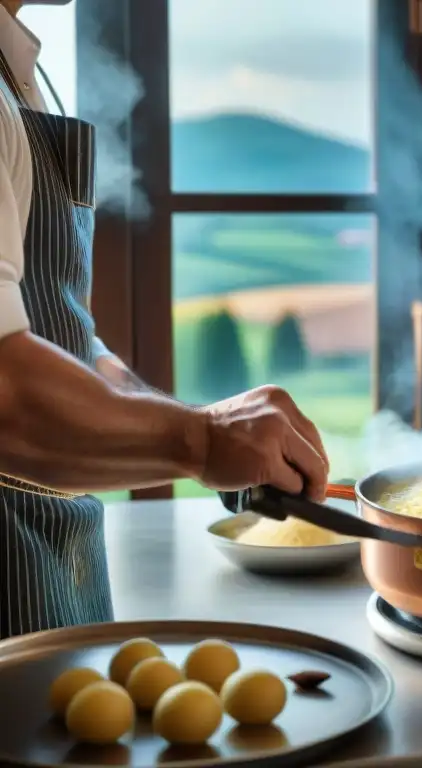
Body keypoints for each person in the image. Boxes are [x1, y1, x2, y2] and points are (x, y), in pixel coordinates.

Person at [0, 0, 329, 639]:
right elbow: (5, 396)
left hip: (55, 570)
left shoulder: (20, 77)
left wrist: (205, 423)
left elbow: (61, 334)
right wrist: (201, 441)